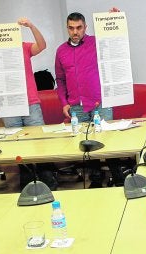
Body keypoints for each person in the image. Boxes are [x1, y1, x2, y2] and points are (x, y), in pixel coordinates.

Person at [0, 18, 57, 190]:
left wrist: (31, 26)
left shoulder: (25, 47)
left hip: (31, 103)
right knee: (18, 145)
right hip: (10, 106)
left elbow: (42, 45)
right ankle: (27, 182)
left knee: (39, 142)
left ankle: (47, 180)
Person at [55, 10, 129, 188]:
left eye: (79, 27)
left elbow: (116, 45)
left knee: (109, 141)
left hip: (99, 102)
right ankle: (96, 180)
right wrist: (64, 103)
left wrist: (114, 18)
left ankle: (118, 178)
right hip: (77, 106)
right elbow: (60, 79)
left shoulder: (97, 43)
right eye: (71, 28)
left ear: (85, 27)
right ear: (67, 29)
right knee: (86, 144)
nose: (75, 32)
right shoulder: (61, 51)